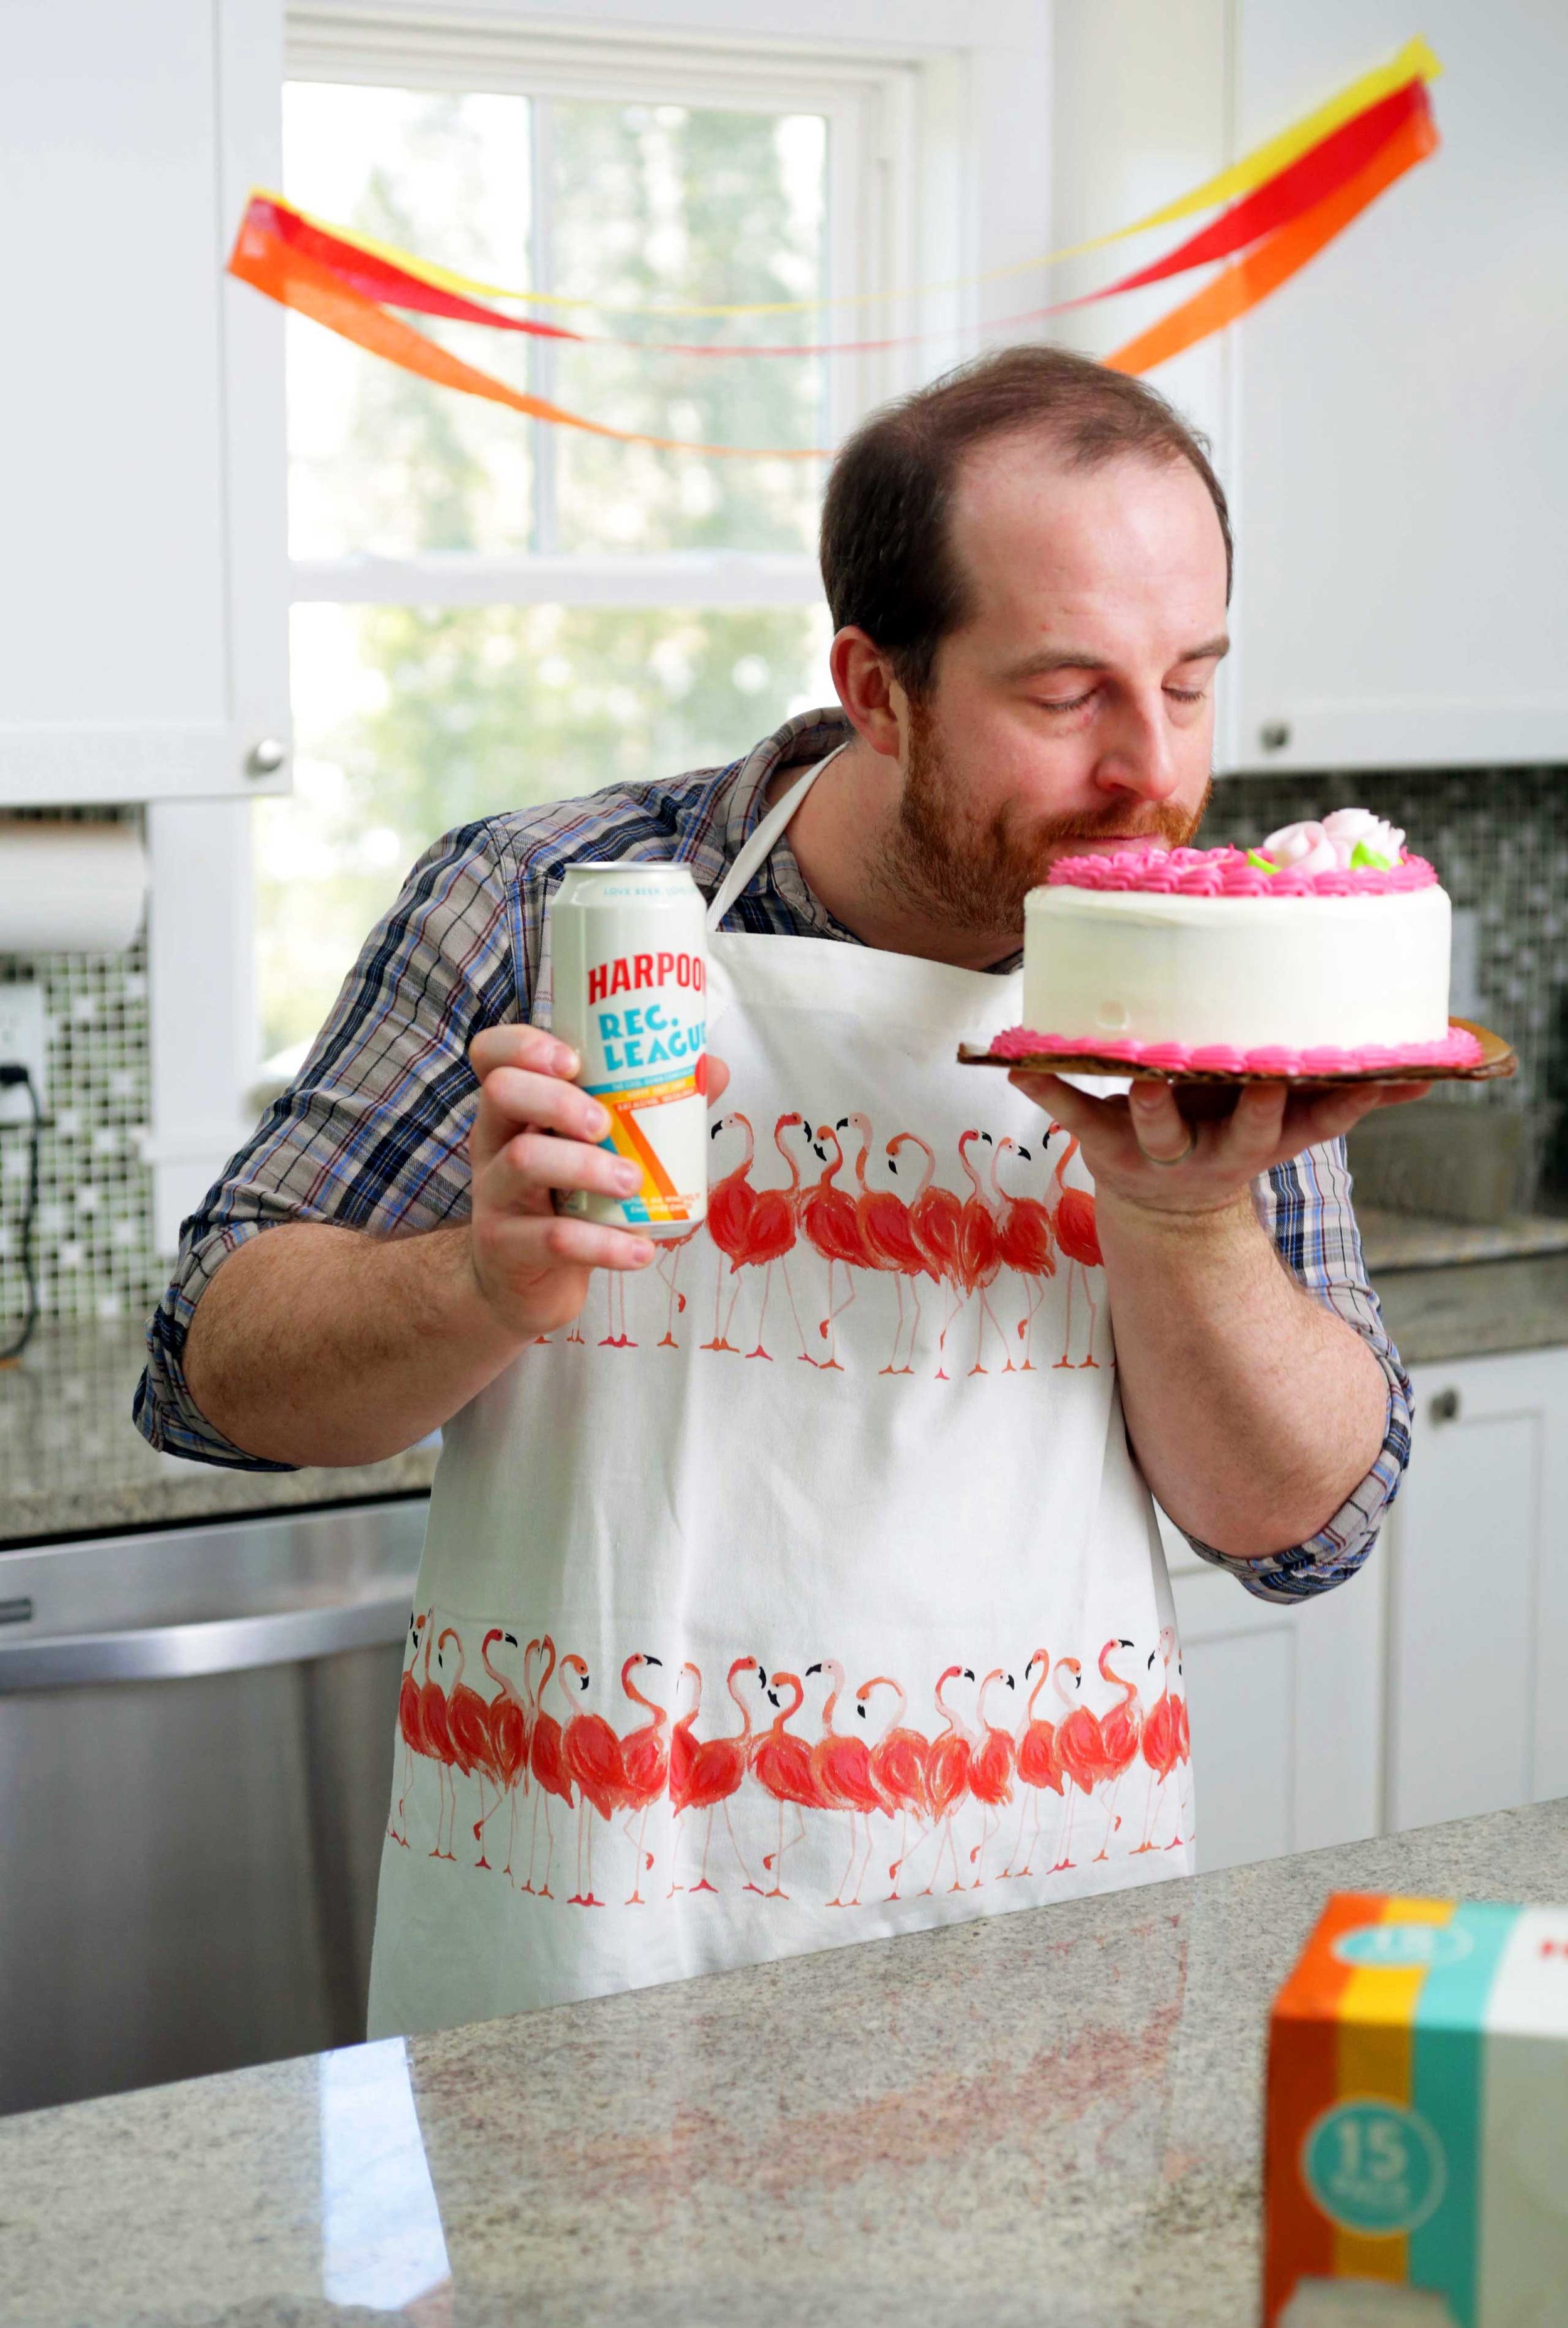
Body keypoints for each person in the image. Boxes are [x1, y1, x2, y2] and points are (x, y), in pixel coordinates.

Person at [137, 346, 1422, 2036]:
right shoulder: (543, 904)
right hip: (585, 1960)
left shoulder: (1224, 964)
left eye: (1186, 681)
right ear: (873, 687)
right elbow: (209, 1375)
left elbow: (1303, 1528)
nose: (1151, 770)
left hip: (1028, 1955)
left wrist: (1181, 1221)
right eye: (1062, 696)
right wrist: (477, 1283)